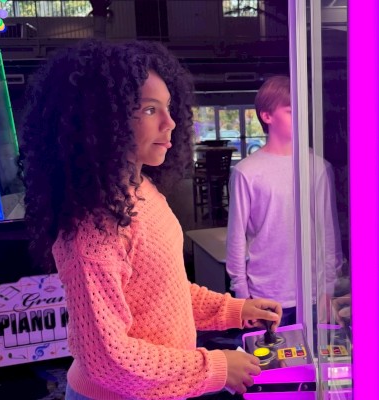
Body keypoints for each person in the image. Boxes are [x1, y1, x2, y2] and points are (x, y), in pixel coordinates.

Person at [20, 39, 282, 399]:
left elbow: (163, 292)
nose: (170, 122)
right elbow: (108, 359)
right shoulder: (92, 228)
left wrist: (235, 310)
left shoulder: (142, 190)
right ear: (102, 120)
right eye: (148, 110)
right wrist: (215, 367)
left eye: (169, 108)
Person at [226, 75, 343, 327]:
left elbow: (328, 232)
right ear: (267, 116)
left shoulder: (317, 167)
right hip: (264, 294)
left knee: (314, 364)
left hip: (312, 293)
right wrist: (241, 296)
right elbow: (236, 237)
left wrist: (328, 288)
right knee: (269, 364)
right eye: (291, 111)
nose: (301, 118)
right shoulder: (246, 171)